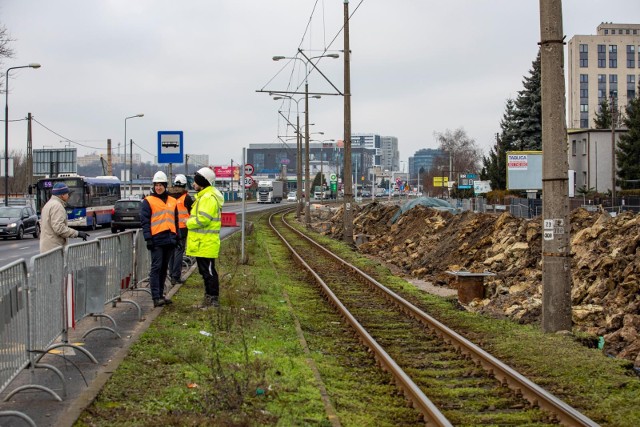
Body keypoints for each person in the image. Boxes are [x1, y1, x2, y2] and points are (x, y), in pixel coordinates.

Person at [186, 167, 224, 308]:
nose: (193, 184)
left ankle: (213, 299)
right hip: (203, 243)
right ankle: (209, 297)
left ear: (202, 182)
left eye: (195, 182)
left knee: (208, 272)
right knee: (205, 271)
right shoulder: (205, 196)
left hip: (206, 243)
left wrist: (187, 223)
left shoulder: (207, 198)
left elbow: (203, 219)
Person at [140, 171, 179, 307]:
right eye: (156, 185)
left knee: (163, 269)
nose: (158, 187)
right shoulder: (148, 201)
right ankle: (156, 297)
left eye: (161, 185)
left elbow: (175, 220)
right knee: (156, 268)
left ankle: (161, 295)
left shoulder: (172, 201)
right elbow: (145, 222)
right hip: (156, 239)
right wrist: (148, 239)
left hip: (169, 239)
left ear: (165, 185)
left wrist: (177, 237)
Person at [40, 182, 89, 253]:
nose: (68, 195)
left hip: (47, 247)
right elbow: (59, 229)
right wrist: (77, 233)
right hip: (54, 248)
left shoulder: (48, 204)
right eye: (67, 193)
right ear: (62, 195)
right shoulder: (57, 206)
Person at [167, 174, 194, 284]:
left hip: (170, 227)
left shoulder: (169, 196)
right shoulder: (186, 198)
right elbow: (192, 212)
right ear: (184, 185)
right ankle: (176, 276)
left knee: (172, 252)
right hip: (182, 228)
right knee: (179, 251)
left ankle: (171, 274)